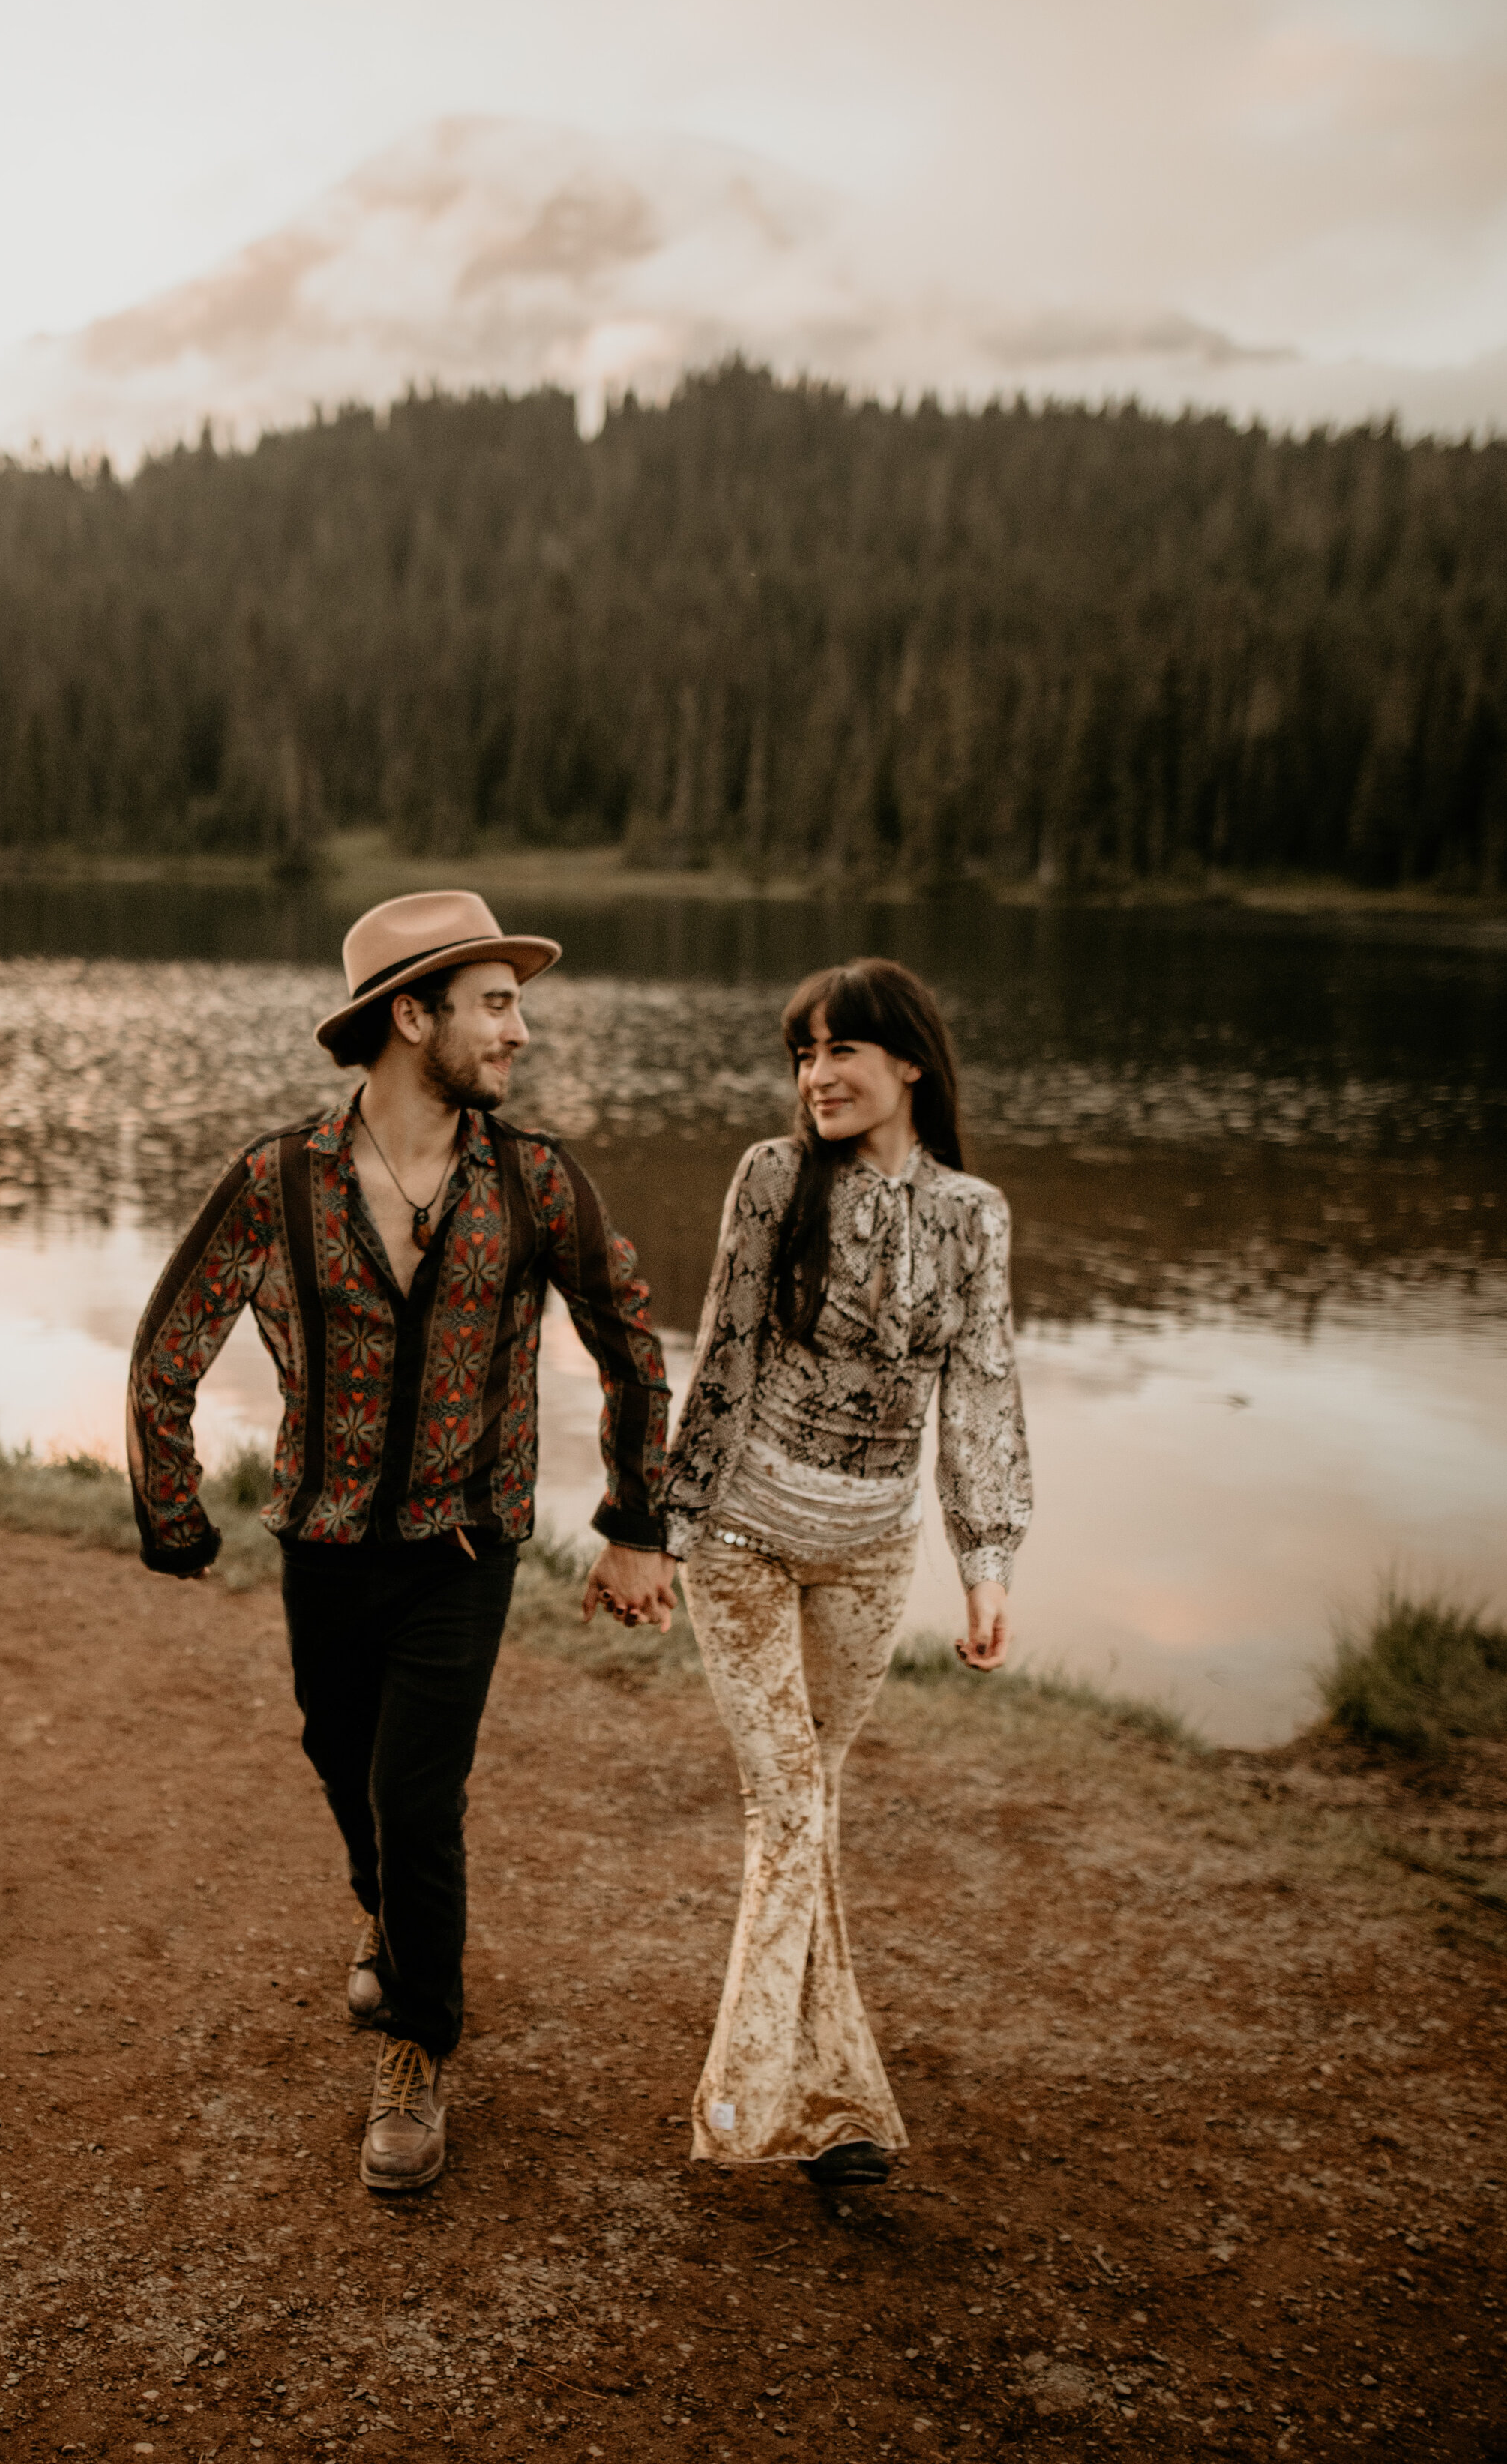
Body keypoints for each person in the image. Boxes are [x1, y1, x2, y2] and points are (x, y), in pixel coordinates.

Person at [125, 891, 675, 2193]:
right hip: (322, 1544)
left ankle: (419, 2046)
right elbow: (167, 1349)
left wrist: (637, 1522)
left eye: (516, 1006)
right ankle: (386, 1915)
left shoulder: (537, 1181)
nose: (519, 1031)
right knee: (342, 1759)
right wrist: (176, 1515)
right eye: (495, 1005)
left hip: (463, 1550)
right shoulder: (279, 1179)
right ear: (411, 1016)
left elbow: (632, 1343)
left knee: (419, 1798)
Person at [661, 955, 1031, 2187]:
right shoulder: (774, 1179)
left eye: (840, 1049)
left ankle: (837, 2103)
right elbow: (721, 1353)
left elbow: (982, 1386)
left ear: (909, 1060)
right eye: (803, 1054)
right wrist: (666, 1528)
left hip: (874, 1549)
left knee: (816, 1802)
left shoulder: (973, 1214)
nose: (816, 1074)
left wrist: (987, 1561)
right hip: (747, 1539)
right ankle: (747, 2096)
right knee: (788, 1806)